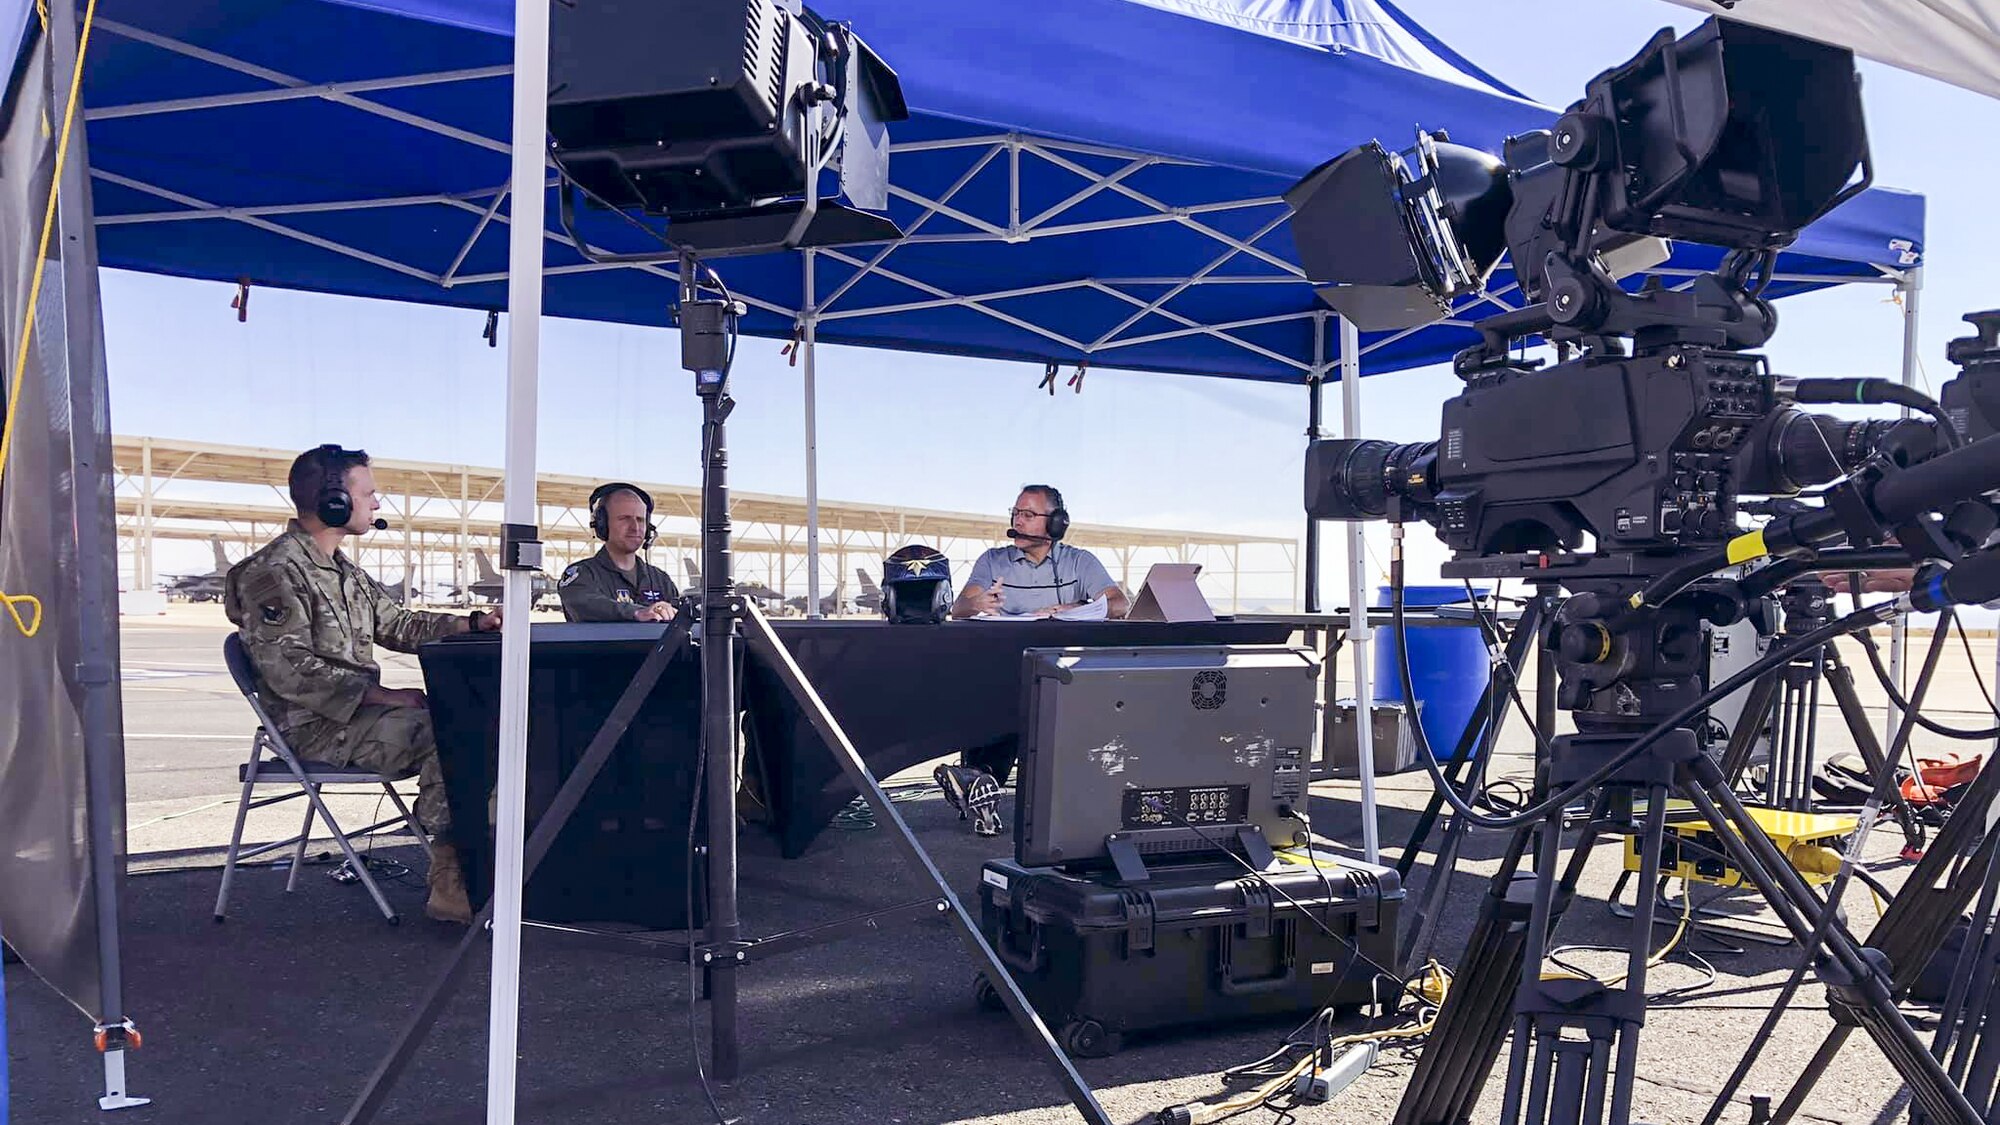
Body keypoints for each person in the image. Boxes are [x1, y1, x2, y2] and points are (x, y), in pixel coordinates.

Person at [223, 444, 501, 924]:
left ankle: (480, 856)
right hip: (316, 726)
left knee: (483, 722)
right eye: (368, 493)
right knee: (451, 735)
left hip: (359, 717)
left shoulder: (345, 573)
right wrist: (382, 695)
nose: (377, 503)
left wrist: (474, 624)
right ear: (333, 501)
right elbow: (289, 669)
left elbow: (402, 625)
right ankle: (453, 876)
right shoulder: (272, 573)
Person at [950, 485, 1129, 619]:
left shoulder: (1080, 562)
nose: (1017, 522)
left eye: (1028, 515)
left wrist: (1077, 611)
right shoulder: (992, 560)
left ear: (1055, 523)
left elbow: (1120, 604)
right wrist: (976, 603)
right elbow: (958, 609)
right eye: (1016, 513)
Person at [558, 482, 680, 622]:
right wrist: (637, 612)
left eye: (640, 520)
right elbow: (584, 603)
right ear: (602, 524)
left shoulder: (661, 580)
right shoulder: (581, 575)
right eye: (625, 519)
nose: (635, 527)